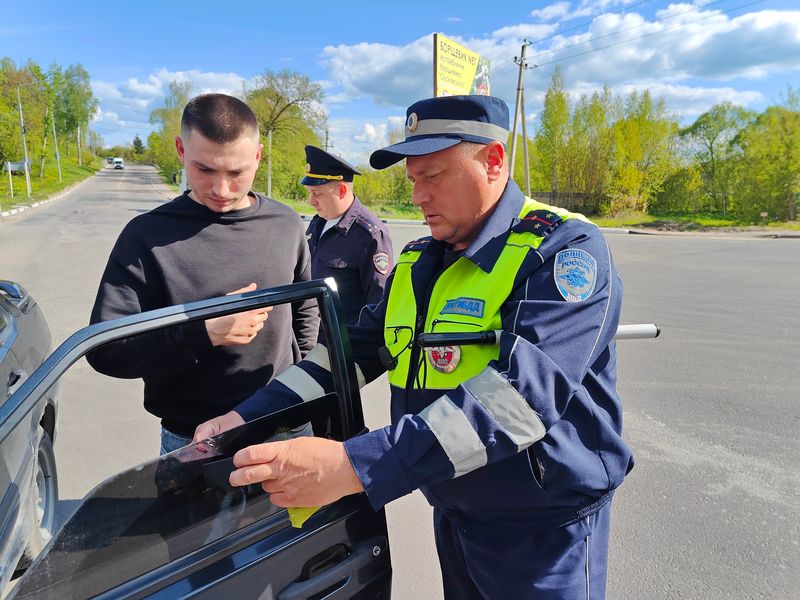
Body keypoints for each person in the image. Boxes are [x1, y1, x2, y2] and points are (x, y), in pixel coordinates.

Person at [194, 95, 631, 599]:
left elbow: (519, 402)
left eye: (434, 176)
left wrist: (354, 466)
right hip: (455, 507)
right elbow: (347, 355)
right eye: (412, 180)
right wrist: (247, 416)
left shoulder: (562, 250)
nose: (418, 196)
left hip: (543, 531)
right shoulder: (419, 260)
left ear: (493, 161)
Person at [87, 93, 319, 455]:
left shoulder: (286, 224)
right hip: (193, 441)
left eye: (237, 172)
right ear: (181, 150)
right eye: (205, 169)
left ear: (257, 156)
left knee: (306, 516)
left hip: (286, 426)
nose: (221, 189)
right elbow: (106, 351)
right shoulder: (146, 237)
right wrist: (204, 333)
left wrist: (298, 382)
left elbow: (306, 309)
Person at [302, 145, 393, 325]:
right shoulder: (318, 222)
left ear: (342, 191)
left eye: (317, 194)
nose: (311, 201)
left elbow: (378, 306)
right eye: (310, 193)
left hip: (342, 344)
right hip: (311, 333)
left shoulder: (370, 235)